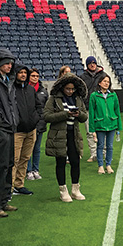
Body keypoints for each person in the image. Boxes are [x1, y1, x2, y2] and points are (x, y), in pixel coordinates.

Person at [44, 73, 88, 202]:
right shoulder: (53, 99)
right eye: (68, 89)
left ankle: (75, 189)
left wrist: (78, 114)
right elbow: (46, 116)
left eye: (72, 89)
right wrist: (65, 114)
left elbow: (84, 116)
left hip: (73, 135)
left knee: (75, 161)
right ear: (62, 87)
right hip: (58, 135)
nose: (70, 91)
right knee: (61, 162)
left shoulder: (78, 99)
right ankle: (63, 190)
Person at [0, 48, 19, 218]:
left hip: (11, 127)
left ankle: (4, 200)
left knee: (8, 165)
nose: (9, 66)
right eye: (6, 63)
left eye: (10, 63)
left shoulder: (9, 80)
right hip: (0, 129)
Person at [12, 65, 41, 195]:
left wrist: (36, 119)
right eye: (20, 72)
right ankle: (10, 186)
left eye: (25, 73)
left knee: (25, 158)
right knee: (15, 159)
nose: (23, 75)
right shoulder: (11, 89)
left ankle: (19, 184)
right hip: (17, 130)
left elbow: (38, 105)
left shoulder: (30, 89)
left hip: (31, 129)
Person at [88, 74, 121, 175]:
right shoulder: (94, 96)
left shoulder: (113, 95)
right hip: (100, 124)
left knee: (110, 146)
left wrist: (119, 127)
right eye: (104, 81)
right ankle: (100, 166)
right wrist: (92, 129)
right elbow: (91, 113)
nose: (107, 83)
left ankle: (108, 165)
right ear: (99, 83)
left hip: (111, 123)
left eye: (108, 81)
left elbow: (117, 110)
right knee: (100, 146)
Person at [80, 56, 104, 162]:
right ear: (87, 65)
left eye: (94, 63)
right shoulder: (82, 77)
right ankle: (93, 153)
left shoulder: (103, 75)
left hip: (100, 107)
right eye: (90, 63)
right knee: (90, 131)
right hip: (88, 107)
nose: (92, 64)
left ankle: (103, 152)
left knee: (102, 130)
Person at [27, 68, 48, 181]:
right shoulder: (25, 89)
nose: (35, 78)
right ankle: (28, 170)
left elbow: (46, 107)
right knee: (29, 148)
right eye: (33, 76)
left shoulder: (43, 90)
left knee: (37, 148)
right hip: (29, 124)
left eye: (37, 76)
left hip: (40, 123)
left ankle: (36, 169)